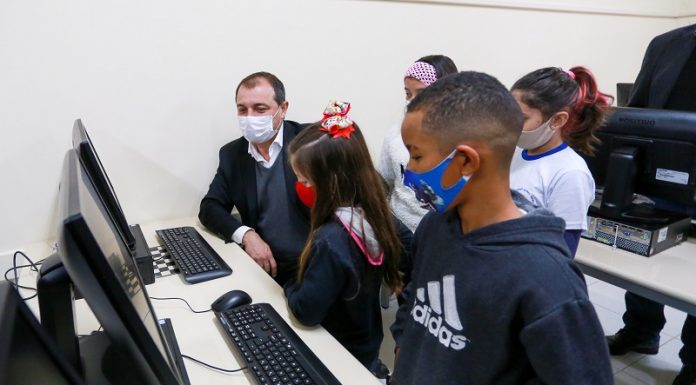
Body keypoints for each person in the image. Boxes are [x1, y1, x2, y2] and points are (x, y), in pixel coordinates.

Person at [389, 71, 613, 385]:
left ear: (466, 161)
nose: (409, 171)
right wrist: (403, 348)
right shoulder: (435, 226)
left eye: (417, 155)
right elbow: (416, 299)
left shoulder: (546, 279)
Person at [283, 101, 410, 377]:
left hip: (335, 354)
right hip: (366, 348)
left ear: (331, 183)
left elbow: (306, 311)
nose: (300, 188)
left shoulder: (330, 239)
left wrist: (289, 284)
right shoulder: (378, 216)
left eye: (305, 181)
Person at [607, 23, 696, 385]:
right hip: (665, 176)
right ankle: (641, 331)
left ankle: (694, 361)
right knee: (646, 255)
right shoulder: (666, 44)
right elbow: (638, 111)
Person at [199, 71, 310, 286]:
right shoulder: (233, 154)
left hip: (313, 263)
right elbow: (210, 207)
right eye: (242, 110)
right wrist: (246, 235)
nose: (250, 117)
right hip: (265, 266)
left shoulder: (309, 142)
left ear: (283, 108)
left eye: (260, 109)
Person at [509, 66, 612, 256]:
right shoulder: (513, 153)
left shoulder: (571, 174)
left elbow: (561, 254)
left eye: (521, 118)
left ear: (557, 120)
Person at [378, 55, 458, 232]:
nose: (411, 101)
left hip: (443, 237)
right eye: (408, 93)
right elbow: (383, 180)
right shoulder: (395, 135)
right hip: (400, 234)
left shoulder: (464, 140)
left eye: (421, 94)